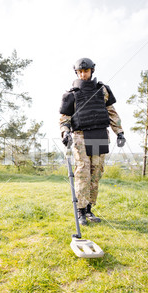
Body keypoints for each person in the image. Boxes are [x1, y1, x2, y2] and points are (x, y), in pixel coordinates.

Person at [59, 57, 125, 225]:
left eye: (86, 71)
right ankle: (80, 211)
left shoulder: (103, 90)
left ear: (92, 71)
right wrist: (65, 133)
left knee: (95, 174)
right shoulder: (71, 94)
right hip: (80, 136)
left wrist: (120, 133)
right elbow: (64, 118)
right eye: (80, 72)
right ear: (76, 73)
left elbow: (112, 113)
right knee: (83, 172)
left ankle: (89, 209)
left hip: (100, 135)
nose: (83, 74)